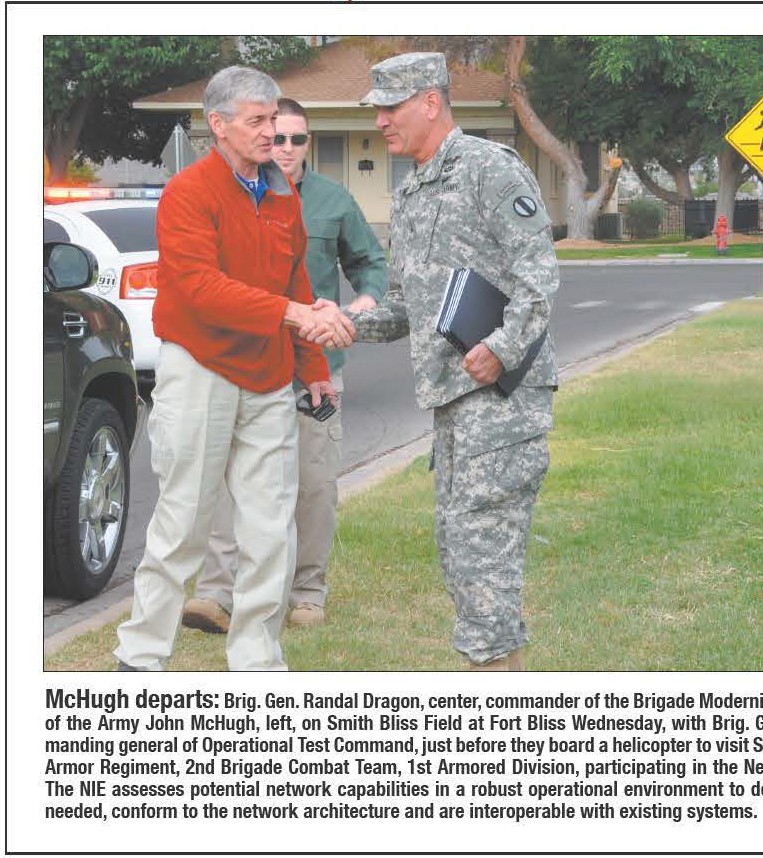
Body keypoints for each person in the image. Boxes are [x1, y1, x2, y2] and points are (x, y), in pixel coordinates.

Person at [113, 67, 355, 671]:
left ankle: (257, 661)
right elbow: (199, 289)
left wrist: (315, 369)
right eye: (258, 121)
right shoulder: (188, 193)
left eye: (275, 120)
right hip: (200, 367)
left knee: (272, 529)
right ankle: (140, 657)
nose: (272, 133)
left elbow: (295, 278)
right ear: (217, 126)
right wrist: (294, 314)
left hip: (270, 378)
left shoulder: (281, 192)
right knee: (183, 522)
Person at [350, 52, 558, 670]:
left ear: (431, 102)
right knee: (461, 556)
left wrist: (502, 347)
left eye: (391, 107)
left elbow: (539, 278)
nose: (381, 120)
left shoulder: (489, 171)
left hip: (501, 403)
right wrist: (343, 323)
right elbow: (405, 306)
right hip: (453, 403)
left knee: (481, 561)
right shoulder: (413, 191)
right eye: (378, 109)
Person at [182, 97, 387, 633]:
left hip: (315, 364)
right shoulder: (230, 195)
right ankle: (216, 594)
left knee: (313, 481)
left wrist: (364, 301)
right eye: (278, 135)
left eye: (297, 138)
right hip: (244, 361)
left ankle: (307, 592)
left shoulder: (333, 201)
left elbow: (369, 264)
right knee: (232, 482)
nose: (286, 146)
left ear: (308, 142)